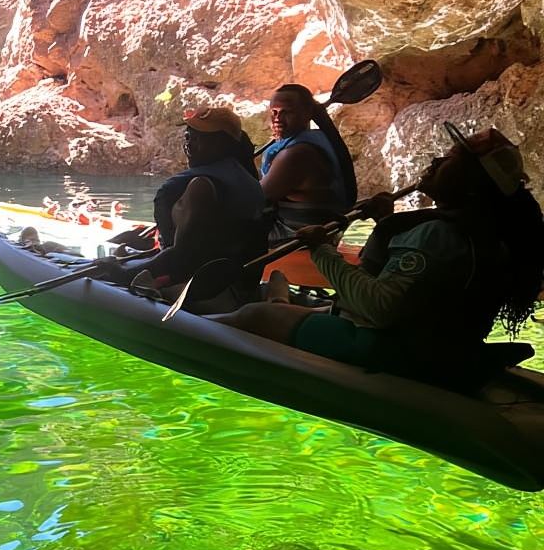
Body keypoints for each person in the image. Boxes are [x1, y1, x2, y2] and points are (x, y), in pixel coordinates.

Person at [212, 124, 544, 389]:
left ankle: (202, 323)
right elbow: (426, 286)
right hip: (439, 346)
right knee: (305, 308)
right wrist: (385, 221)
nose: (436, 161)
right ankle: (280, 302)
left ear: (470, 186)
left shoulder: (440, 234)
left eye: (449, 160)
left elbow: (380, 308)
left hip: (398, 353)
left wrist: (322, 249)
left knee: (254, 316)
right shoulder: (484, 236)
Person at [112, 107, 266, 297]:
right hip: (234, 283)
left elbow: (182, 256)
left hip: (200, 288)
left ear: (221, 144)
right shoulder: (247, 181)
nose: (189, 146)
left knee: (113, 268)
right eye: (188, 138)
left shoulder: (202, 186)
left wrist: (120, 275)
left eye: (198, 139)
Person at [260, 83, 358, 242]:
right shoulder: (317, 139)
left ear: (306, 114)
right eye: (274, 112)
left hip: (294, 239)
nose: (277, 118)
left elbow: (256, 198)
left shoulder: (296, 154)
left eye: (287, 112)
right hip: (314, 230)